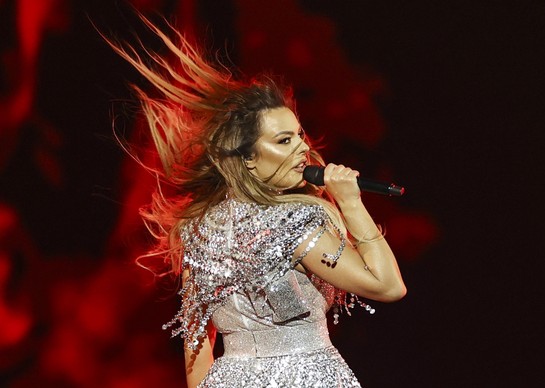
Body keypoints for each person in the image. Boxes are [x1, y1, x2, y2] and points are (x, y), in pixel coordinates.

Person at [108, 16, 406, 388]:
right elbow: (388, 286)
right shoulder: (294, 222)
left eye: (298, 135)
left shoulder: (199, 231)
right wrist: (351, 202)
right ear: (248, 157)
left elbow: (197, 345)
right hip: (307, 377)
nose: (303, 148)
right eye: (284, 141)